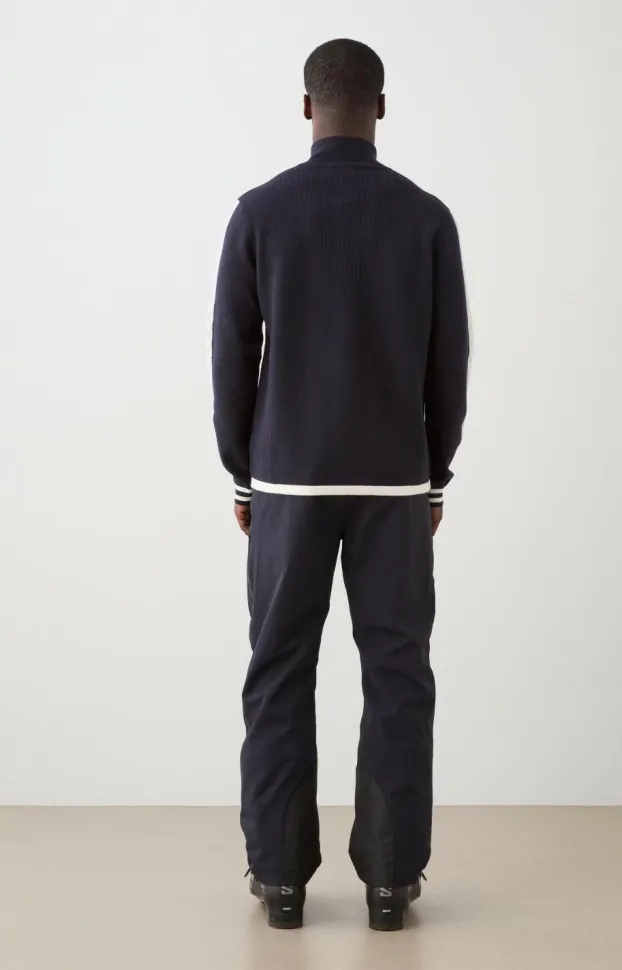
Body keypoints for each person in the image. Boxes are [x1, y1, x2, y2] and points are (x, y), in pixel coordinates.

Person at [211, 37, 469, 931]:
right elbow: (449, 360)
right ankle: (391, 883)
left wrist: (242, 472)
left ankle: (280, 880)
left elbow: (231, 355)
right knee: (397, 673)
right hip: (394, 483)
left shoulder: (260, 213)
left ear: (306, 106)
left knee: (279, 670)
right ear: (381, 108)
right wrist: (433, 475)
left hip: (288, 478)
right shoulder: (425, 217)